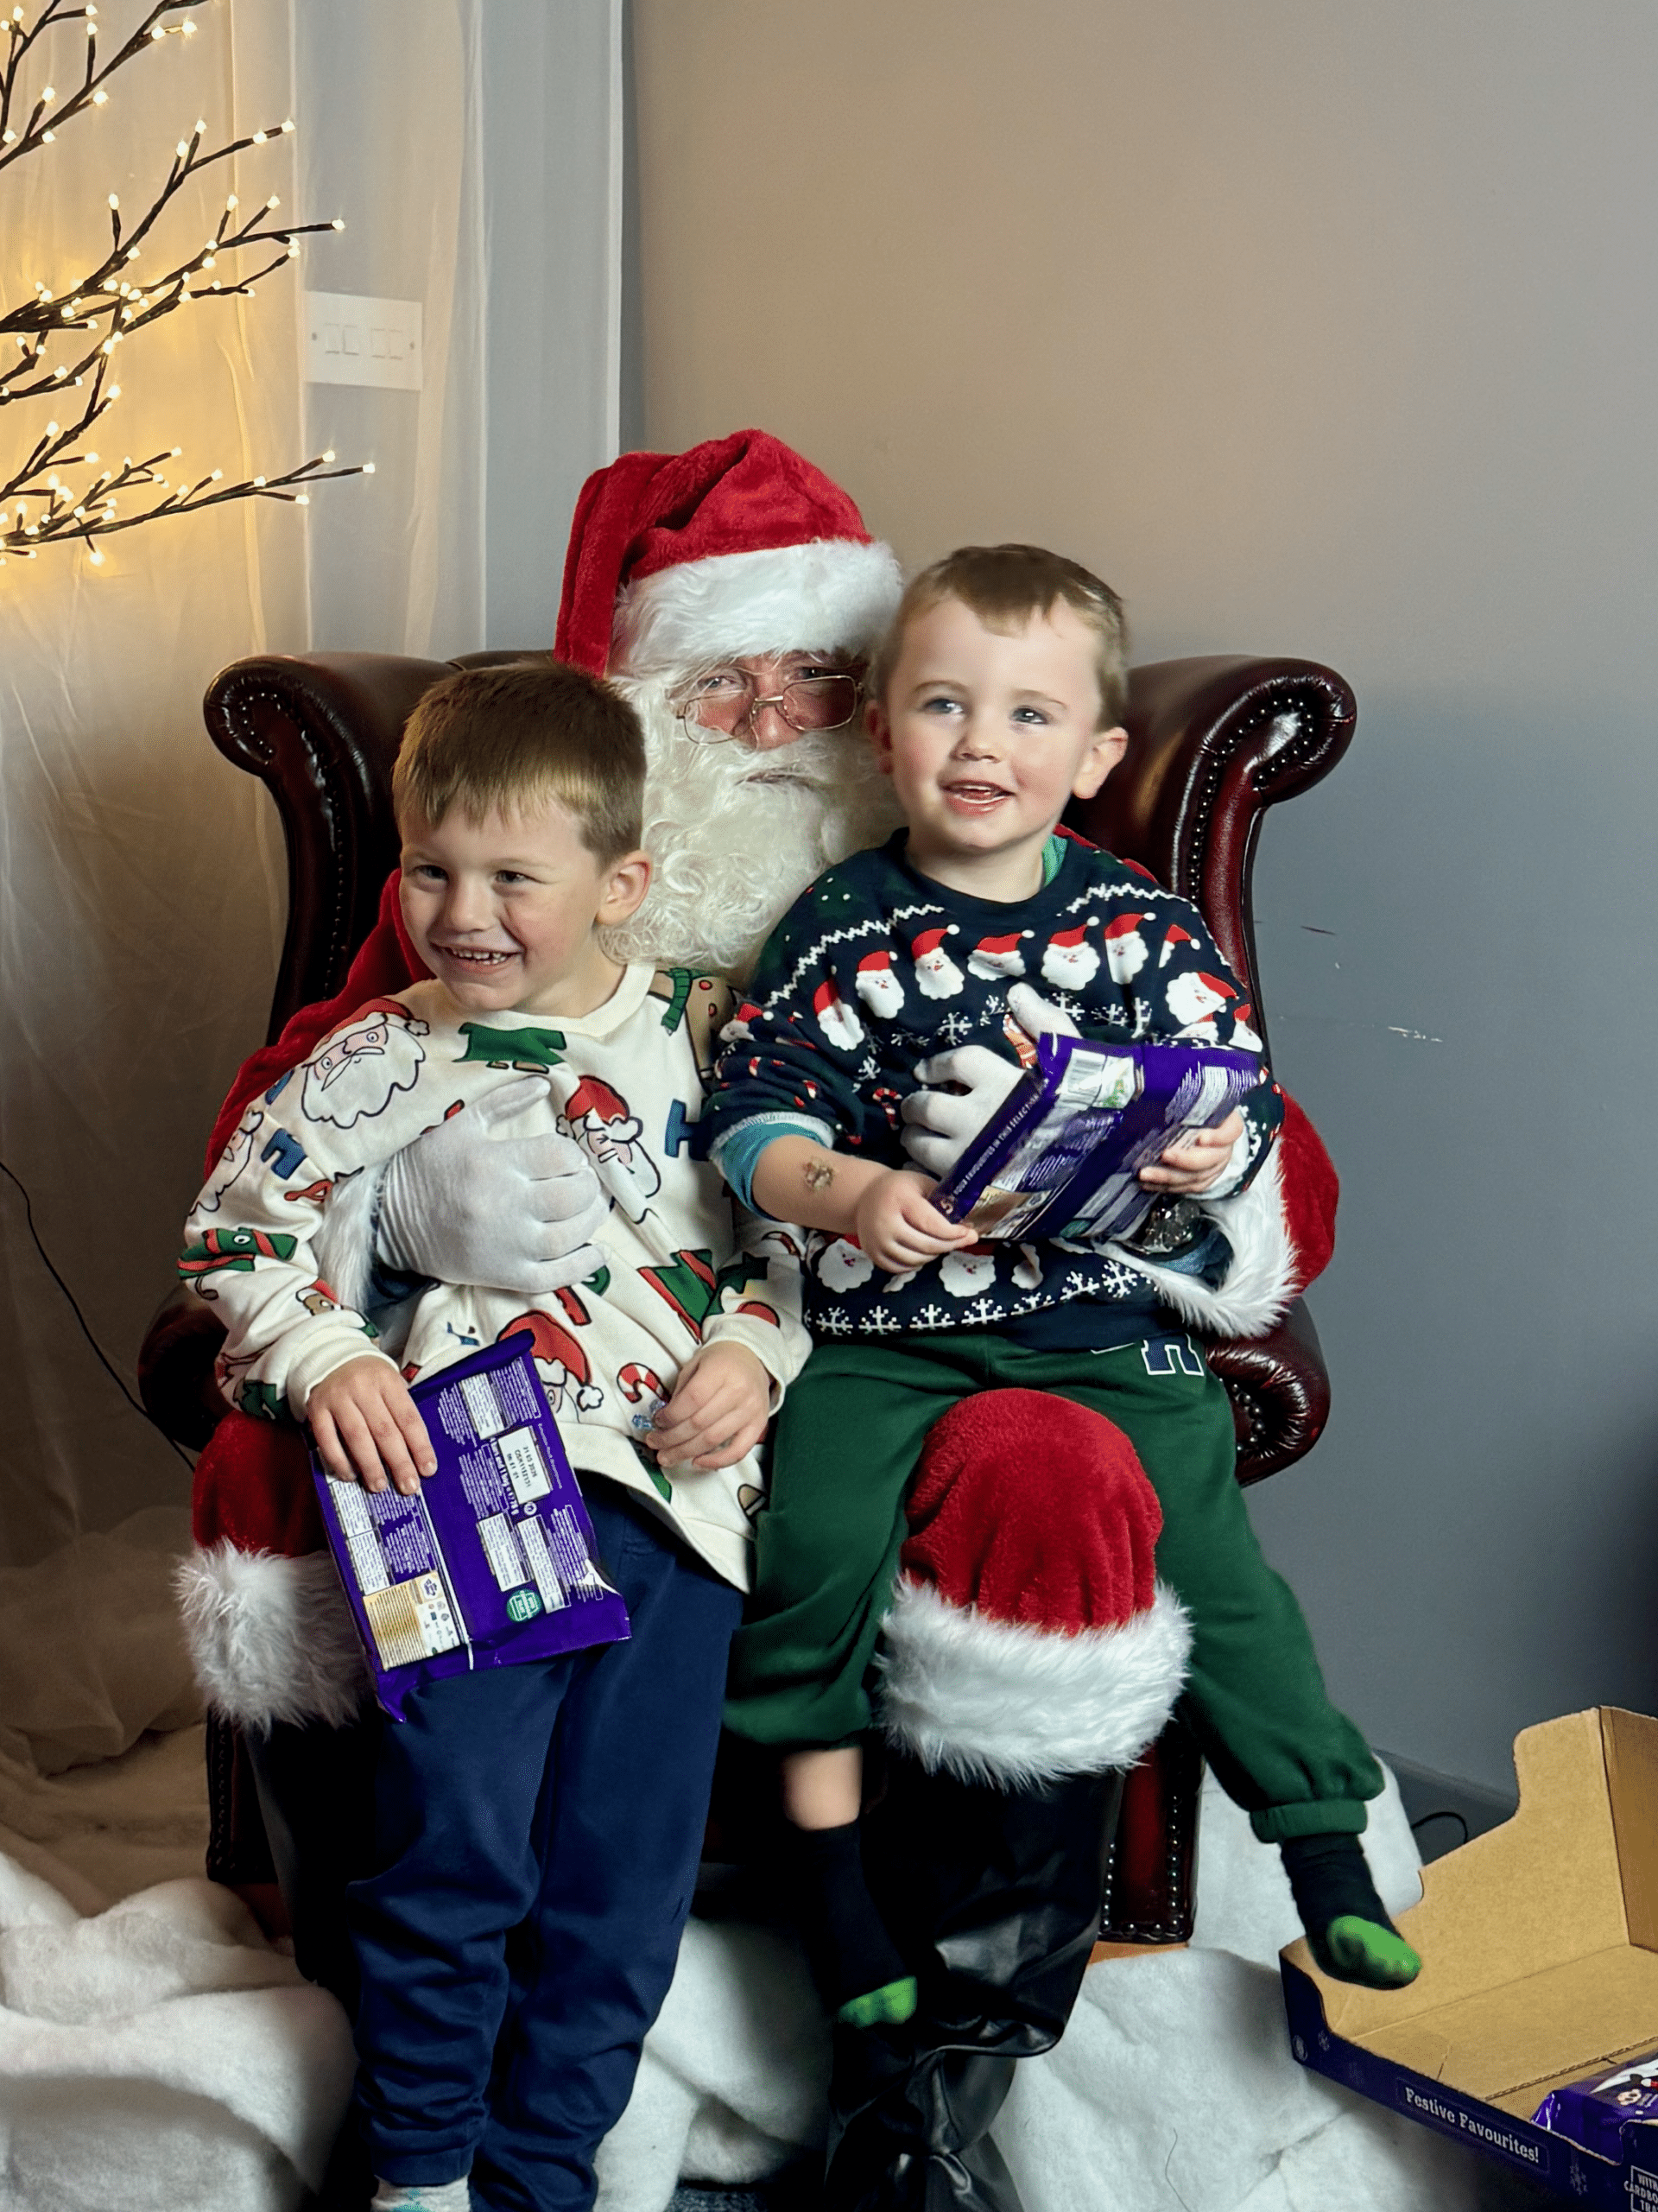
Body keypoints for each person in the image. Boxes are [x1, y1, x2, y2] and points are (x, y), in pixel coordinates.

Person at [178, 432, 1344, 2209]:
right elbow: (255, 1190)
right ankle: (419, 2131)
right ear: (645, 710)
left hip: (748, 1429)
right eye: (731, 682)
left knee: (648, 1827)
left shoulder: (1011, 929)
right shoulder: (469, 938)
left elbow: (1260, 1162)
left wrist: (1142, 1171)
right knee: (461, 1818)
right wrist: (390, 1241)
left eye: (825, 679)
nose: (779, 716)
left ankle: (906, 2077)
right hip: (483, 1443)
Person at [707, 542, 1421, 2048]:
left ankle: (1325, 1853)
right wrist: (848, 1191)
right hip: (893, 1334)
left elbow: (1237, 1103)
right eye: (945, 705)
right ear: (883, 728)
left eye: (1031, 716)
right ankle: (829, 1876)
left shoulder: (1144, 932)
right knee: (815, 1550)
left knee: (1223, 1573)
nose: (982, 745)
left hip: (1102, 1322)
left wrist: (1212, 1151)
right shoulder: (844, 925)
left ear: (1098, 755)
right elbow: (753, 1111)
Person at [180, 660, 811, 2212]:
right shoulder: (384, 1051)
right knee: (451, 1837)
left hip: (680, 1495)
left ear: (622, 883)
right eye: (430, 871)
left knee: (621, 1873)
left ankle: (543, 2178)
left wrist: (752, 1346)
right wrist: (329, 1351)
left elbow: (795, 1244)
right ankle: (419, 2168)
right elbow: (228, 1241)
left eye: (514, 878)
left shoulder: (707, 1041)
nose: (463, 913)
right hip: (460, 1472)